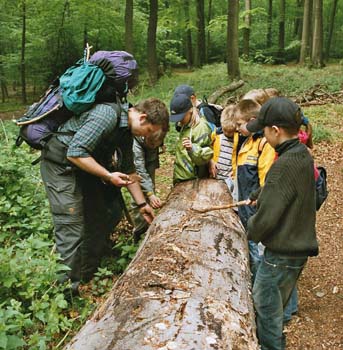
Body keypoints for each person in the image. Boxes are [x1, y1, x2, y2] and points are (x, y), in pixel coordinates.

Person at [40, 97, 169, 294]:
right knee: (71, 225)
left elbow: (129, 171)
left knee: (109, 211)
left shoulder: (126, 131)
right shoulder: (107, 115)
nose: (146, 137)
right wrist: (108, 176)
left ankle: (87, 270)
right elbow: (75, 153)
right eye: (149, 131)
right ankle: (66, 292)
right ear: (143, 118)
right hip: (61, 166)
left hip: (82, 168)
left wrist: (142, 205)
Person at [246, 97, 318, 350]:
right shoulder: (302, 155)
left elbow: (265, 221)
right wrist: (261, 195)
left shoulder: (283, 165)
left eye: (264, 132)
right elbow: (288, 192)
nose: (263, 138)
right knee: (275, 308)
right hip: (297, 250)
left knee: (266, 310)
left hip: (280, 254)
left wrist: (248, 230)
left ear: (275, 130)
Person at [233, 99, 275, 278]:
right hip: (244, 208)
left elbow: (267, 181)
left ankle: (261, 293)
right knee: (250, 250)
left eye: (239, 124)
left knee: (259, 254)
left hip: (257, 211)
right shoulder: (246, 141)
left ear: (251, 121)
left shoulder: (263, 144)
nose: (236, 128)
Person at [130, 129, 167, 243]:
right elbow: (139, 171)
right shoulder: (135, 144)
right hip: (139, 165)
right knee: (139, 196)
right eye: (153, 144)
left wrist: (160, 144)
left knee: (149, 188)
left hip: (150, 159)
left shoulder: (157, 129)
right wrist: (149, 193)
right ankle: (139, 230)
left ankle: (148, 224)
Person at [170, 93, 213, 184]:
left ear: (190, 110)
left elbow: (207, 155)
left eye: (181, 117)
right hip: (181, 176)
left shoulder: (200, 128)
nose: (179, 120)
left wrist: (192, 149)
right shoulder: (185, 125)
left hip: (193, 180)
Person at [209, 104, 236, 192]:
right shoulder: (216, 134)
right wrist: (211, 161)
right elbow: (208, 149)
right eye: (225, 130)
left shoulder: (239, 139)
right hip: (215, 176)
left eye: (230, 132)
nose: (227, 133)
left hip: (230, 178)